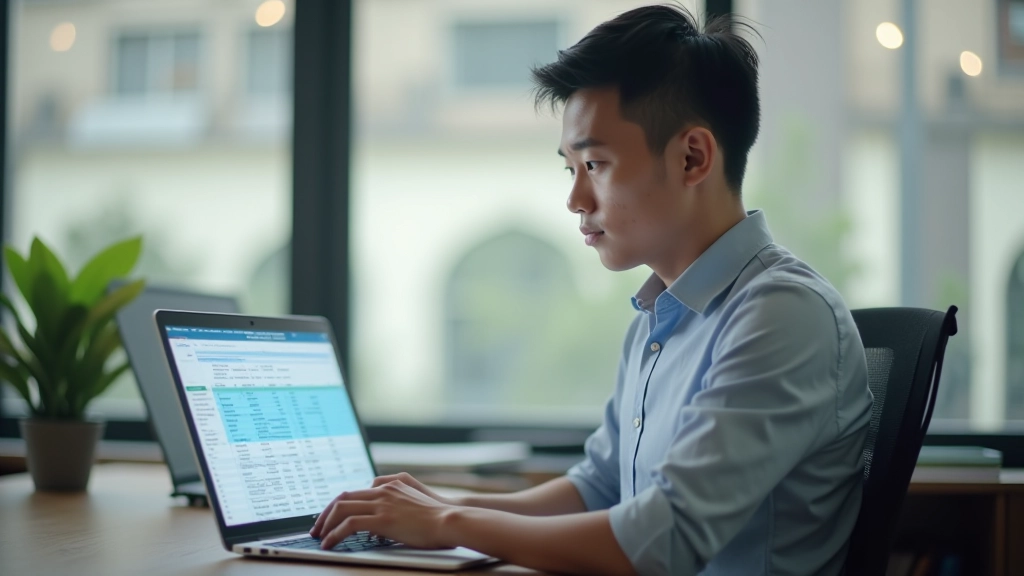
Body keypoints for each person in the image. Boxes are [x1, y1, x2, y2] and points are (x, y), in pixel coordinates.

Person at [310, 5, 873, 575]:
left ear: (693, 157)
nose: (576, 200)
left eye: (595, 164)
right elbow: (599, 488)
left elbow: (663, 539)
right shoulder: (658, 318)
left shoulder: (781, 313)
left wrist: (446, 525)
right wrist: (440, 506)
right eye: (570, 168)